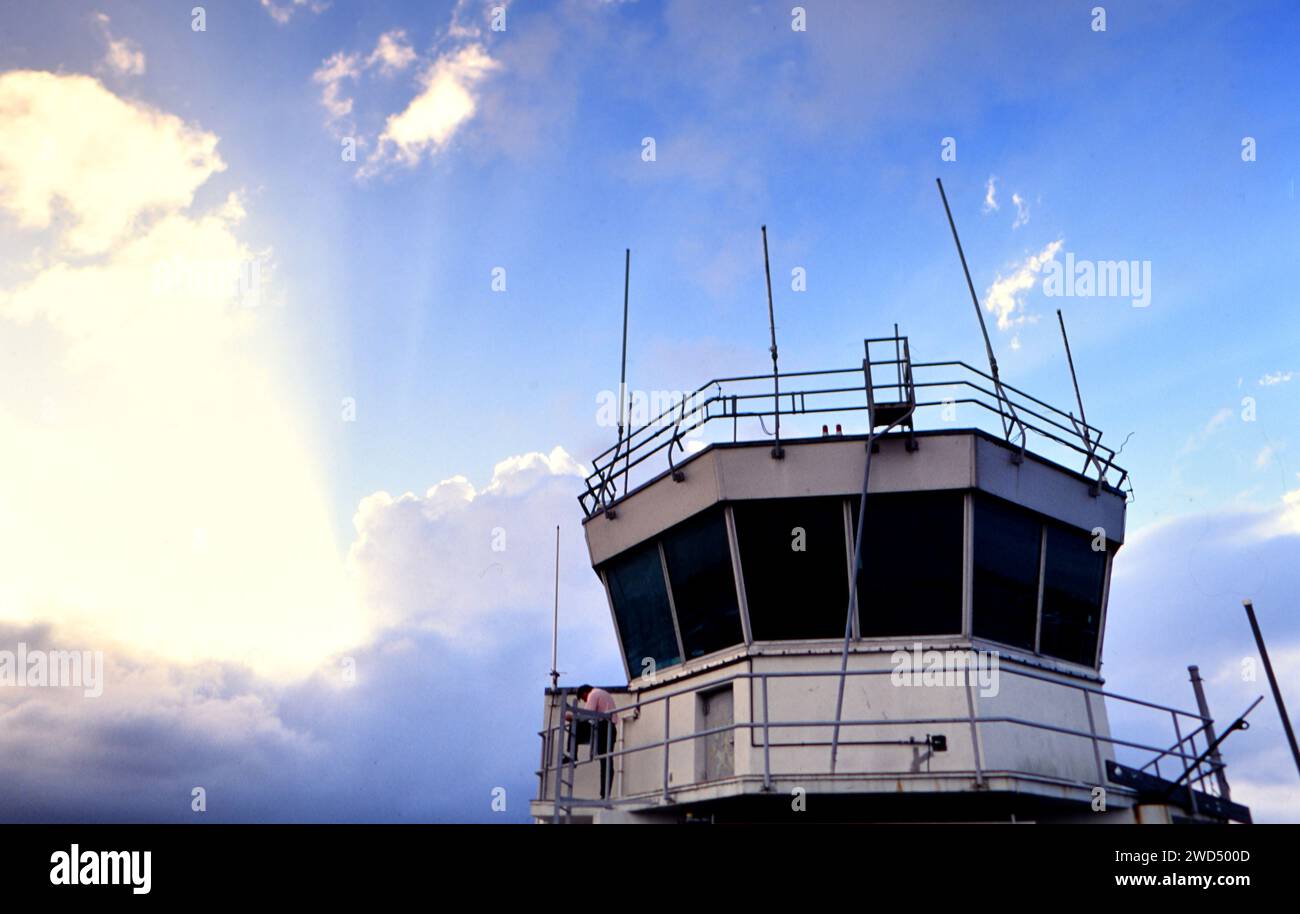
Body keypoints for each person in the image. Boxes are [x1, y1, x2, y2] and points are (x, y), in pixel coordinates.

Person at [566, 684, 618, 799]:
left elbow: (586, 714)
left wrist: (572, 717)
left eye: (584, 698)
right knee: (606, 761)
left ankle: (572, 754)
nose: (585, 701)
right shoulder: (602, 693)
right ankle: (605, 794)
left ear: (585, 693)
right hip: (608, 727)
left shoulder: (593, 694)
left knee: (605, 761)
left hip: (604, 727)